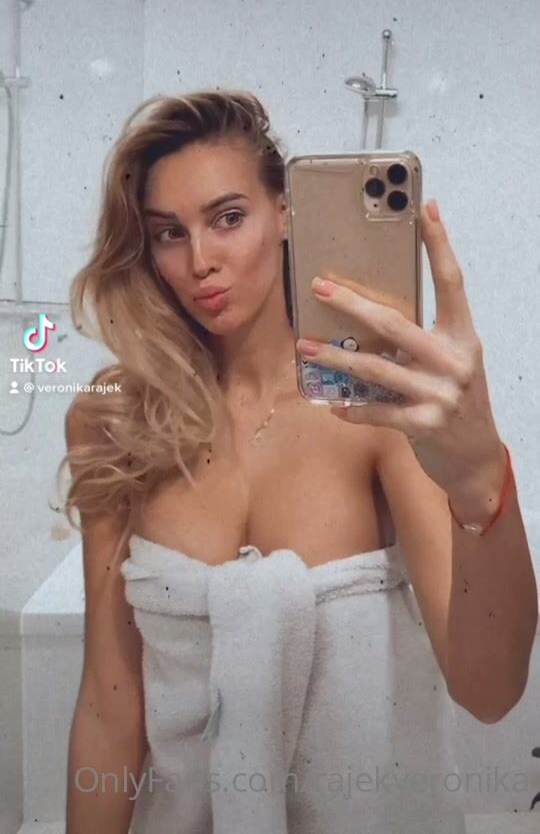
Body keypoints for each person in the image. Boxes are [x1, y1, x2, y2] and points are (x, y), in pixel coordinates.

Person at [57, 90, 537, 834]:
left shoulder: (375, 412)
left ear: (285, 213)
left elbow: (489, 691)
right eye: (168, 234)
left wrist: (481, 481)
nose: (201, 262)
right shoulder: (114, 418)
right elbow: (108, 706)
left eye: (228, 218)